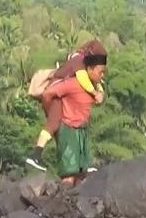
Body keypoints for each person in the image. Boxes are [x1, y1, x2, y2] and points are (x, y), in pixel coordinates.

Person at [25, 40, 107, 171]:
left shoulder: (85, 65)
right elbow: (82, 78)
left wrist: (100, 92)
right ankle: (36, 155)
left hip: (62, 95)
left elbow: (95, 80)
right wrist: (94, 93)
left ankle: (83, 164)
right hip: (57, 92)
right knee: (53, 124)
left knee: (62, 131)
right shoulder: (78, 61)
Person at [40, 53, 106, 186]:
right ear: (90, 69)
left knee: (82, 174)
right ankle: (63, 202)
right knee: (69, 174)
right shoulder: (72, 83)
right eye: (100, 72)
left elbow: (99, 95)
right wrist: (51, 112)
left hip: (82, 131)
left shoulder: (91, 87)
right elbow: (48, 93)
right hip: (68, 130)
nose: (102, 75)